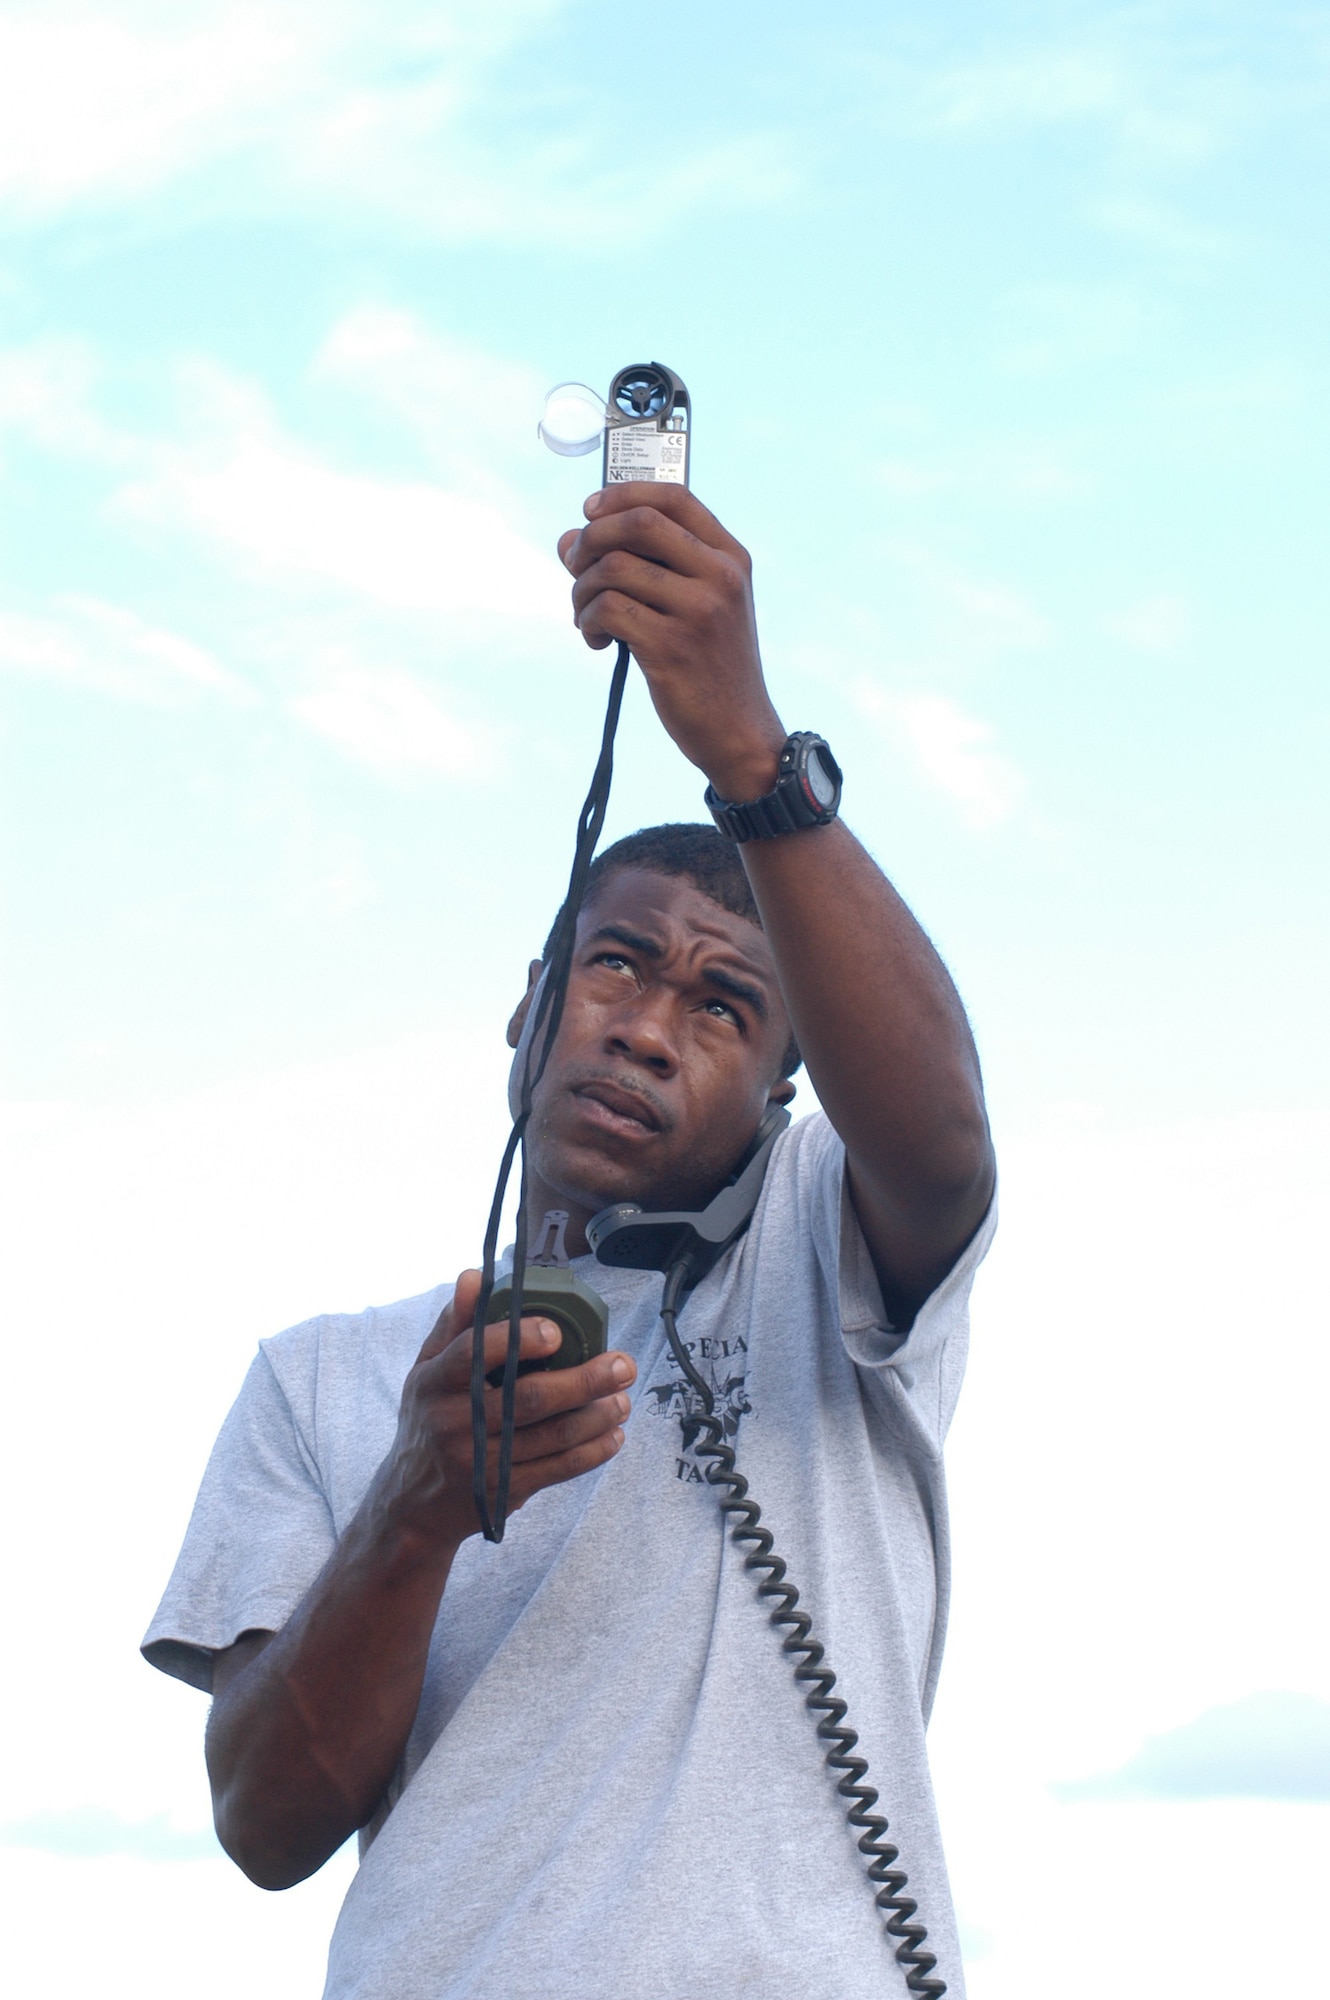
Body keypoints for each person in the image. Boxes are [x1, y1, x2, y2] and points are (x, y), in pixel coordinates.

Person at [143, 483, 997, 2000]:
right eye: (620, 965)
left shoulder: (825, 1241)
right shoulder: (321, 1379)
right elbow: (265, 1825)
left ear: (785, 1091)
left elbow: (937, 1139)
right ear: (533, 1004)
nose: (652, 1032)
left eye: (724, 1008)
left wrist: (750, 757)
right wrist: (415, 1501)